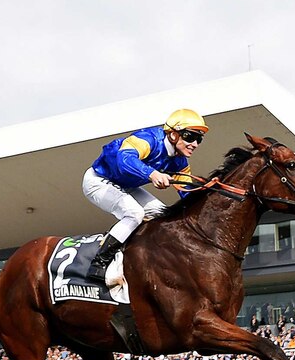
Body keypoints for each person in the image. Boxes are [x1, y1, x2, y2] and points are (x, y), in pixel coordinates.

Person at [83, 109, 209, 282]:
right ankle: (99, 263)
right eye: (189, 136)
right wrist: (153, 174)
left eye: (199, 139)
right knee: (134, 213)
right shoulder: (147, 139)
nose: (195, 143)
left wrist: (207, 192)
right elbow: (124, 159)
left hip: (127, 186)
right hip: (97, 180)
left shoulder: (180, 161)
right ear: (173, 135)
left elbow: (186, 190)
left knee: (161, 214)